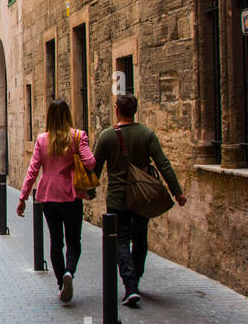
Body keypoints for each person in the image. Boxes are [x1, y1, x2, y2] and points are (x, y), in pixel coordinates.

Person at [91, 94, 186, 308]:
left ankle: (130, 284)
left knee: (120, 241)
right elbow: (163, 164)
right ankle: (135, 279)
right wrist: (177, 192)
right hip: (142, 198)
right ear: (134, 111)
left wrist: (89, 191)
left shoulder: (107, 136)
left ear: (117, 110)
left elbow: (95, 168)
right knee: (140, 239)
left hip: (117, 199)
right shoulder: (147, 135)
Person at [16, 99, 97, 303]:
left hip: (48, 195)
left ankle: (61, 283)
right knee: (73, 240)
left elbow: (33, 170)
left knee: (55, 241)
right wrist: (79, 150)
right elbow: (91, 162)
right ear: (68, 114)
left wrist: (23, 197)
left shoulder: (42, 139)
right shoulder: (78, 136)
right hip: (70, 195)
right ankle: (69, 271)